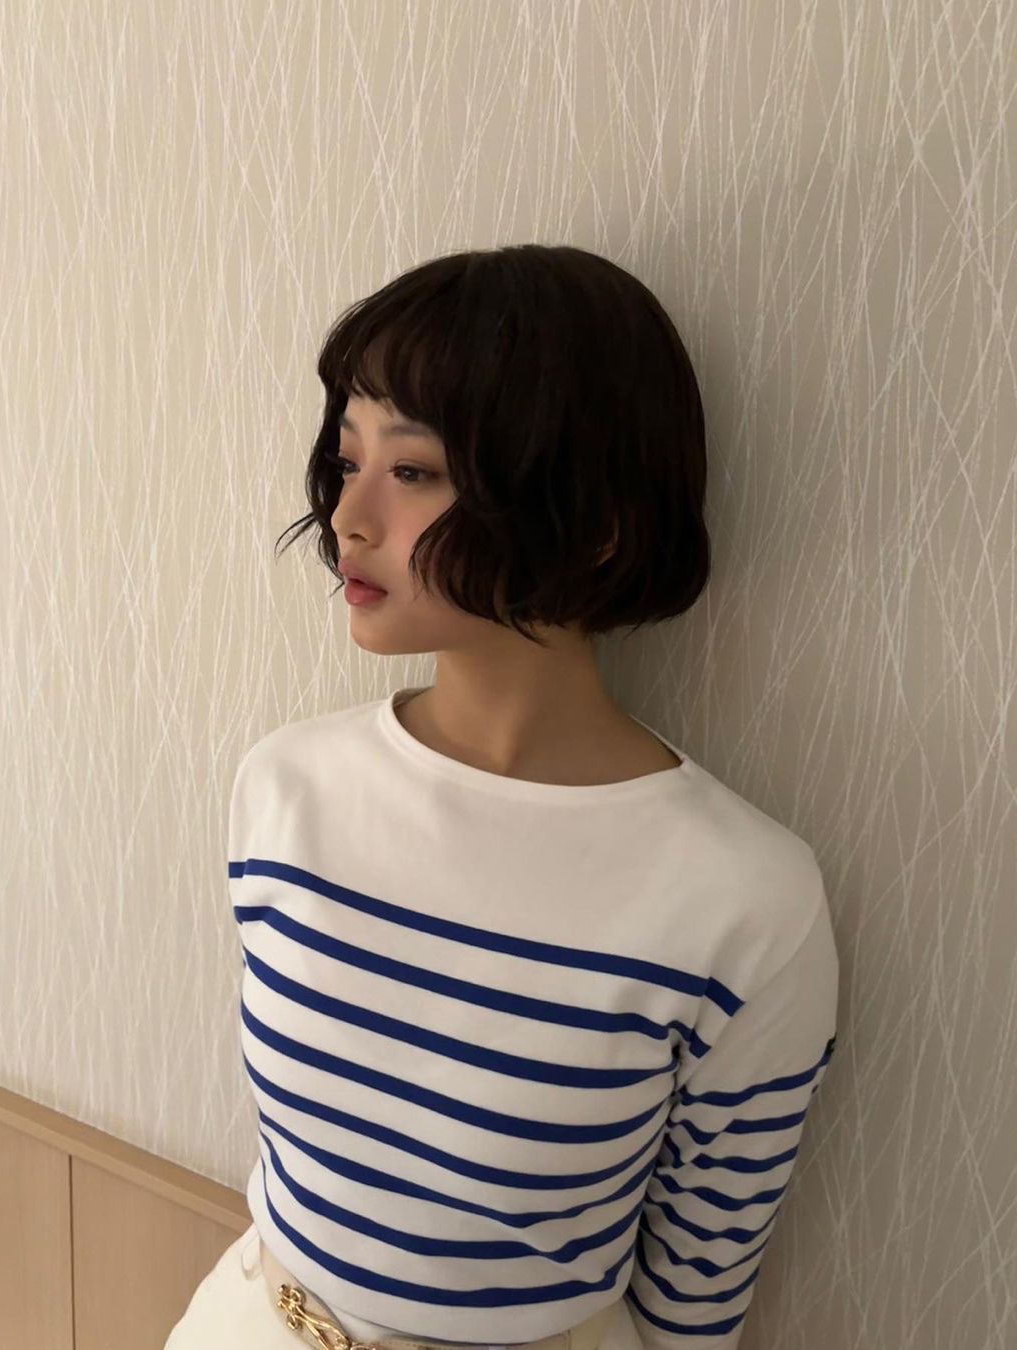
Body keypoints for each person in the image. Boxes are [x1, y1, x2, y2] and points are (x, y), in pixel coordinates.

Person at [165, 243, 839, 1349]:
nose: (348, 517)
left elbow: (700, 1283)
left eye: (415, 472)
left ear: (594, 518)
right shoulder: (284, 790)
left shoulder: (747, 899)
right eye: (346, 459)